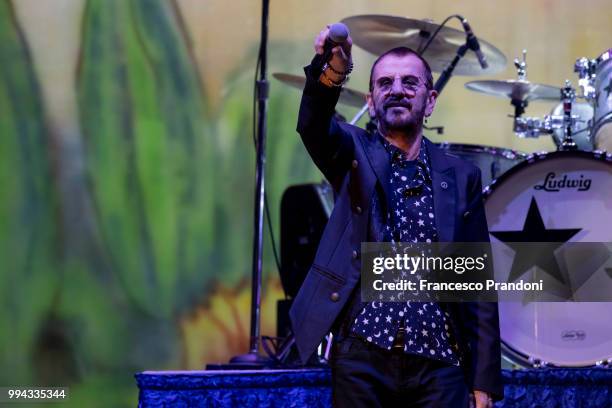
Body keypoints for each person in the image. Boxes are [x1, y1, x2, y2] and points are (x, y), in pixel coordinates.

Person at [289, 25, 503, 407]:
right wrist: (333, 70)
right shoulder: (352, 152)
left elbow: (476, 286)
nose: (397, 89)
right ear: (372, 102)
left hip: (439, 361)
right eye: (385, 83)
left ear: (430, 99)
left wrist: (483, 380)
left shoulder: (461, 175)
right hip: (363, 357)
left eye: (409, 82)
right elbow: (313, 126)